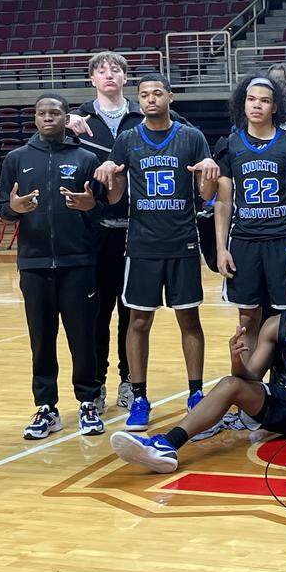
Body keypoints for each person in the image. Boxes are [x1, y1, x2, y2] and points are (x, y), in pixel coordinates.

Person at [109, 260, 286, 481]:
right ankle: (167, 445)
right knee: (230, 383)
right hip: (284, 408)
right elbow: (250, 378)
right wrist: (237, 361)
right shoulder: (274, 325)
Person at [93, 72, 220, 431]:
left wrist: (210, 175)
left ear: (170, 97)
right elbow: (116, 198)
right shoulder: (128, 139)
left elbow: (206, 196)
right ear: (139, 100)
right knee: (138, 321)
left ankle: (195, 394)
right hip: (142, 245)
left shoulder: (191, 137)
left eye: (157, 93)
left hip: (182, 242)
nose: (151, 99)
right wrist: (109, 176)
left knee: (189, 320)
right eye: (144, 94)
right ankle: (140, 397)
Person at [66, 51, 190, 410]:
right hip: (95, 230)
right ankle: (97, 382)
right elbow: (48, 135)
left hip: (140, 229)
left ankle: (127, 379)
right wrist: (67, 121)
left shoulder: (143, 116)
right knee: (96, 313)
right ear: (92, 79)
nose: (109, 74)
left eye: (116, 69)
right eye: (101, 70)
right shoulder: (78, 120)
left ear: (126, 79)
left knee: (132, 312)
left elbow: (181, 132)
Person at [0, 94, 107, 439]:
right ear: (35, 118)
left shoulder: (86, 158)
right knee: (41, 339)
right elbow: (4, 207)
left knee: (83, 338)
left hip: (78, 263)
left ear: (65, 118)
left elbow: (101, 211)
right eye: (42, 113)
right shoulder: (17, 159)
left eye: (55, 113)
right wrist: (15, 207)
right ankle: (46, 408)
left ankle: (88, 403)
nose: (48, 118)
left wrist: (90, 205)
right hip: (34, 264)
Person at [213, 77, 286, 352]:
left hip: (282, 239)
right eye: (251, 99)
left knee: (284, 316)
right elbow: (223, 202)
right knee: (247, 317)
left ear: (275, 107)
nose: (257, 105)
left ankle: (281, 383)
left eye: (264, 100)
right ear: (242, 103)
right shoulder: (229, 145)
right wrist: (221, 248)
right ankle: (249, 383)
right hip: (244, 241)